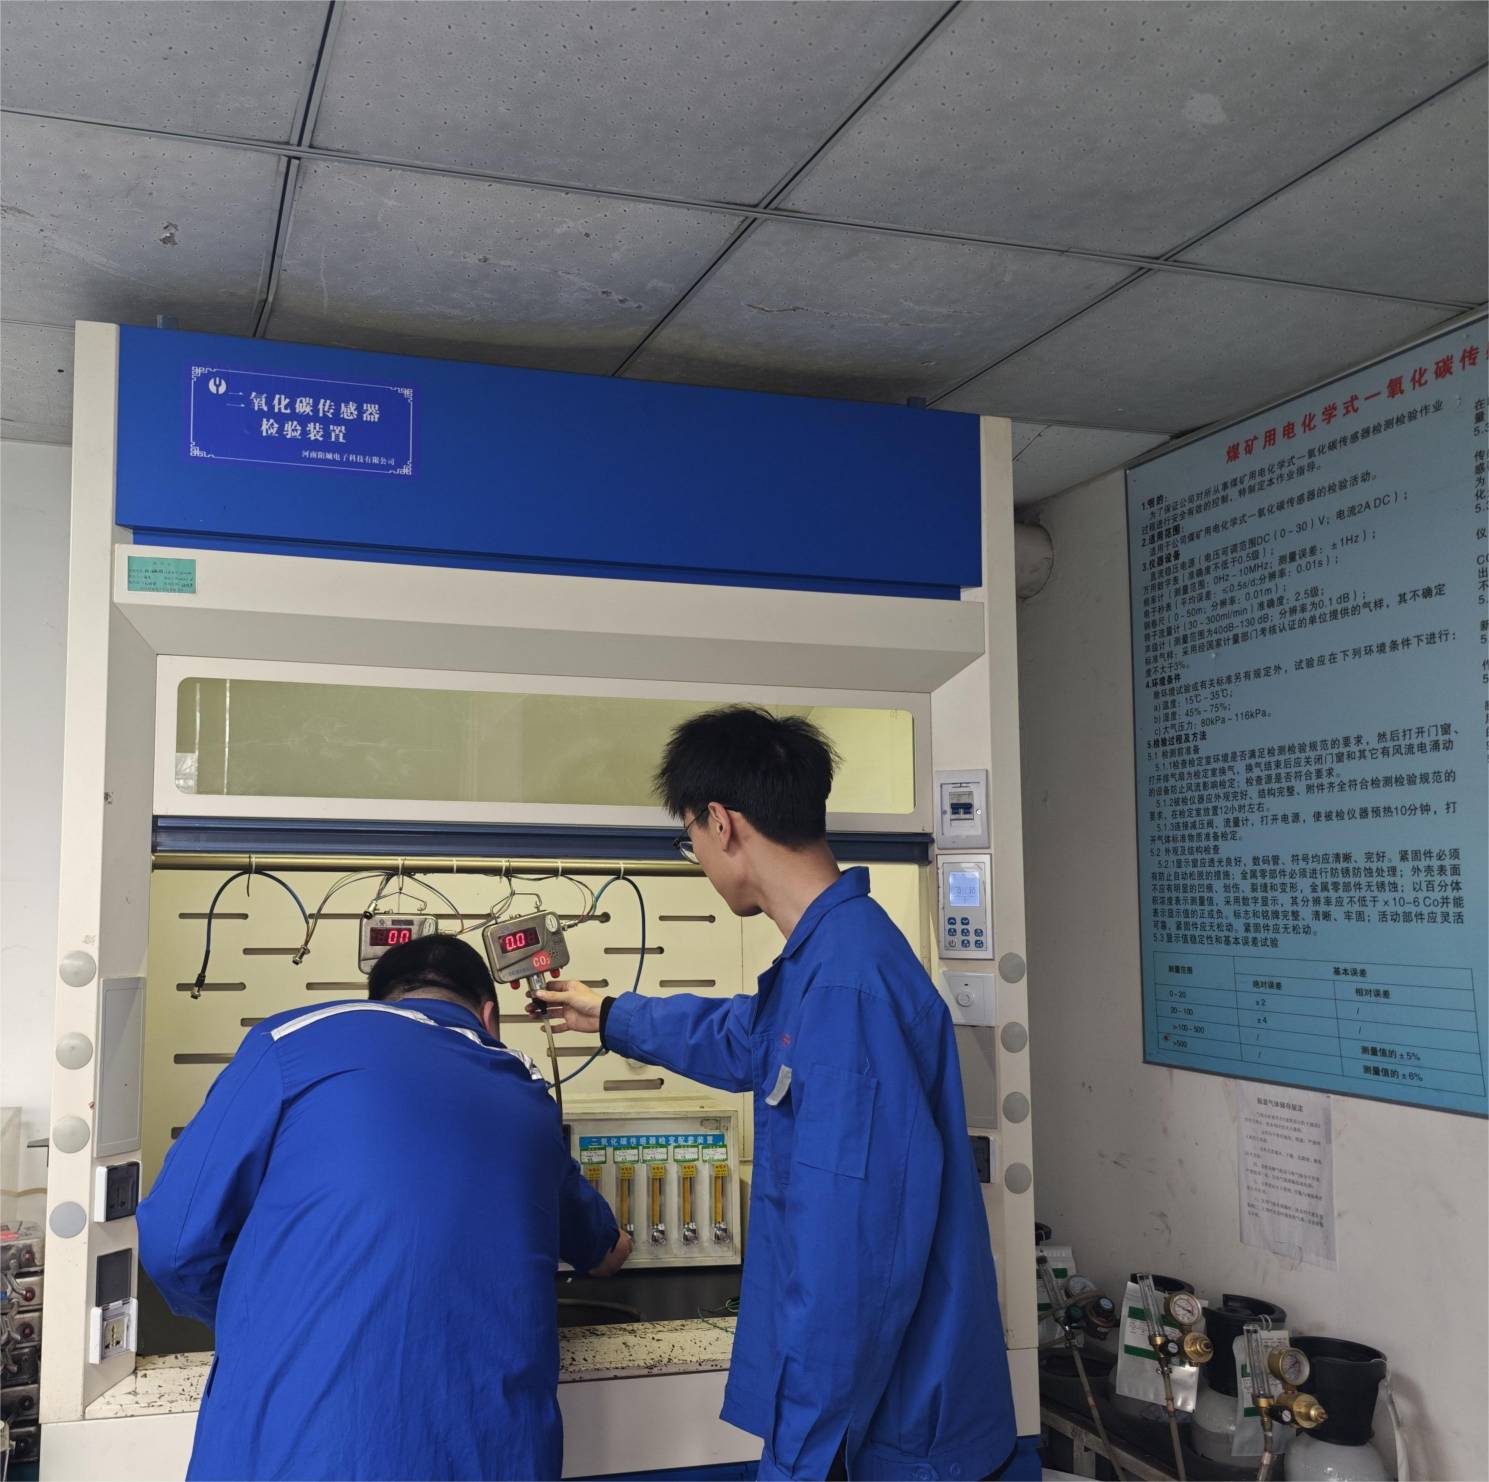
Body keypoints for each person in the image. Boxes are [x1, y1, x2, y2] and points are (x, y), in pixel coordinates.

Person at [537, 707, 1019, 1480]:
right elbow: (747, 1038)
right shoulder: (831, 955)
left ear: (721, 823)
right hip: (875, 1418)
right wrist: (609, 1014)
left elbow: (849, 1262)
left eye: (689, 839)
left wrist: (799, 1459)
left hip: (883, 1438)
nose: (697, 858)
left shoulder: (845, 988)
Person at [139, 933, 629, 1481]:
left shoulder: (291, 1041)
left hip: (300, 1453)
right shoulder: (527, 1090)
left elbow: (173, 1245)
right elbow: (607, 1251)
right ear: (489, 1016)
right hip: (499, 1455)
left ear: (382, 1003)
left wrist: (265, 1315)